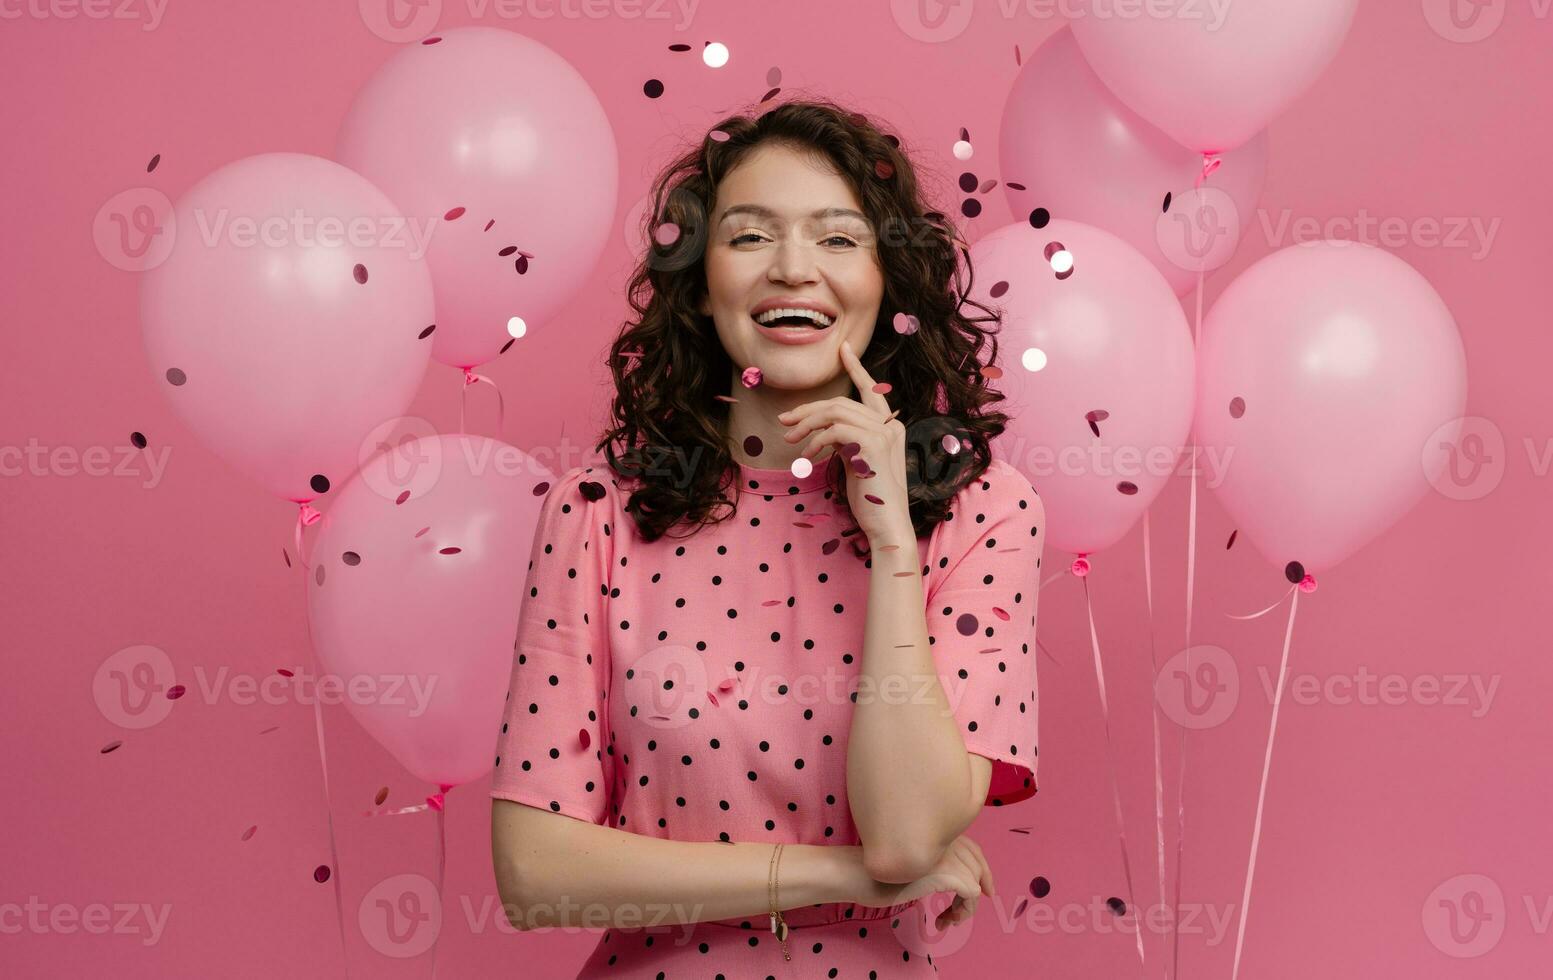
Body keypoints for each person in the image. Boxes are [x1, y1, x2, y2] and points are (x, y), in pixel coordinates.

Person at [490, 97, 1045, 977]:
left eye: (837, 239)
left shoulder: (984, 511)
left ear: (890, 284)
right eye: (749, 237)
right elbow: (532, 871)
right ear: (700, 286)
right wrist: (831, 876)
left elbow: (904, 841)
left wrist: (894, 546)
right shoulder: (596, 510)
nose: (793, 269)